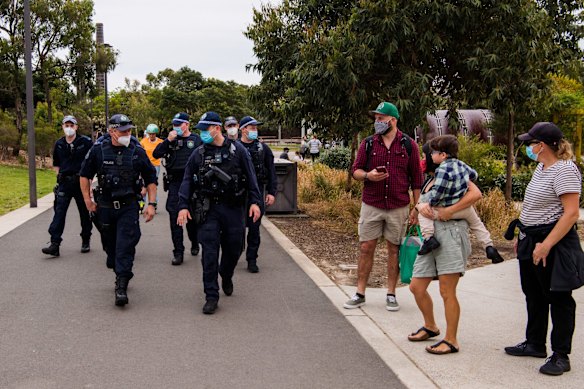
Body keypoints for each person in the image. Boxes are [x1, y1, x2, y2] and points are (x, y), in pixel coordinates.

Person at [504, 122, 583, 376]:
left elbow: (571, 214)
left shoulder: (565, 170)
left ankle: (561, 355)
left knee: (558, 298)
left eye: (532, 142)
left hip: (553, 242)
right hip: (530, 238)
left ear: (544, 145)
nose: (529, 146)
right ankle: (535, 343)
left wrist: (546, 245)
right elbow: (534, 205)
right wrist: (523, 234)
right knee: (534, 294)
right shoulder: (541, 167)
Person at [177, 112, 262, 314]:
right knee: (209, 252)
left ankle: (226, 273)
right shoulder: (197, 153)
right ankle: (211, 296)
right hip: (208, 209)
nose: (203, 133)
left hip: (233, 208)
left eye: (206, 129)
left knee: (234, 248)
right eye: (201, 130)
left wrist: (255, 202)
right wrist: (182, 205)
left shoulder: (237, 151)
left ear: (216, 128)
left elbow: (251, 178)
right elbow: (187, 180)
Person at [343, 102, 423, 311]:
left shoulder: (409, 145)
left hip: (398, 206)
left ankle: (391, 293)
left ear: (393, 120)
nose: (377, 122)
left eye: (381, 118)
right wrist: (368, 175)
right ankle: (360, 292)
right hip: (372, 204)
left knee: (393, 249)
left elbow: (417, 179)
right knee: (365, 247)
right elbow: (356, 171)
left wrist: (416, 208)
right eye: (376, 118)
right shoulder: (368, 144)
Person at [407, 143, 483, 355]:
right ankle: (431, 326)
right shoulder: (432, 177)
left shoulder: (454, 171)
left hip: (451, 231)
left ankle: (451, 340)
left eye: (428, 154)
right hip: (432, 235)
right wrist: (416, 209)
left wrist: (449, 211)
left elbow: (476, 194)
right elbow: (425, 202)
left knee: (446, 290)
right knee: (416, 286)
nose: (426, 158)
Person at [79, 113, 157, 307]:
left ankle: (121, 284)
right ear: (112, 131)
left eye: (129, 130)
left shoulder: (137, 151)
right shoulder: (98, 150)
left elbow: (150, 178)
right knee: (110, 244)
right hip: (104, 206)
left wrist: (151, 204)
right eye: (123, 131)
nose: (127, 134)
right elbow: (84, 175)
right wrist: (87, 200)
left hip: (128, 205)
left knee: (126, 244)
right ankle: (114, 260)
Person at [416, 136, 504, 263]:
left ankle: (429, 239)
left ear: (443, 155)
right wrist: (461, 181)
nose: (431, 156)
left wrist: (429, 204)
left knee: (424, 214)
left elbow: (438, 192)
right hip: (464, 208)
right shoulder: (461, 165)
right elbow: (474, 175)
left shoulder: (441, 170)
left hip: (445, 207)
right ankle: (489, 246)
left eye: (433, 153)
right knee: (477, 224)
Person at [153, 113, 202, 265]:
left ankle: (194, 241)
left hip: (193, 184)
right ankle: (178, 252)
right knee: (175, 217)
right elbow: (156, 154)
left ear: (186, 124)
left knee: (192, 219)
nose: (176, 127)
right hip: (175, 183)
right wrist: (168, 140)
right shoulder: (170, 141)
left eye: (179, 124)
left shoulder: (196, 140)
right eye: (174, 124)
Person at [42, 115, 93, 257]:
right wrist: (59, 178)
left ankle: (85, 238)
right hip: (65, 182)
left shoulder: (85, 142)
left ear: (76, 127)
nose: (69, 128)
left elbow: (91, 164)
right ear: (63, 127)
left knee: (84, 212)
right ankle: (55, 243)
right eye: (66, 125)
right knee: (59, 213)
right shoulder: (59, 144)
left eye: (71, 125)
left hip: (81, 182)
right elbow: (56, 164)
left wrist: (89, 185)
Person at [238, 116, 277, 273]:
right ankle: (235, 253)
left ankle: (252, 259)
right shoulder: (234, 147)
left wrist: (271, 192)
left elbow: (271, 172)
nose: (255, 130)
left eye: (255, 127)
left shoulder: (263, 149)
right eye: (251, 127)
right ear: (243, 129)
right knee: (237, 228)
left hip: (257, 192)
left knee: (254, 228)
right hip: (238, 194)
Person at [140, 123, 163, 206]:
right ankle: (142, 201)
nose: (152, 135)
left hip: (155, 165)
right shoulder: (143, 141)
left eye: (153, 134)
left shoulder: (160, 142)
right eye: (150, 134)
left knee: (152, 183)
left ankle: (154, 201)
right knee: (143, 184)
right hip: (145, 165)